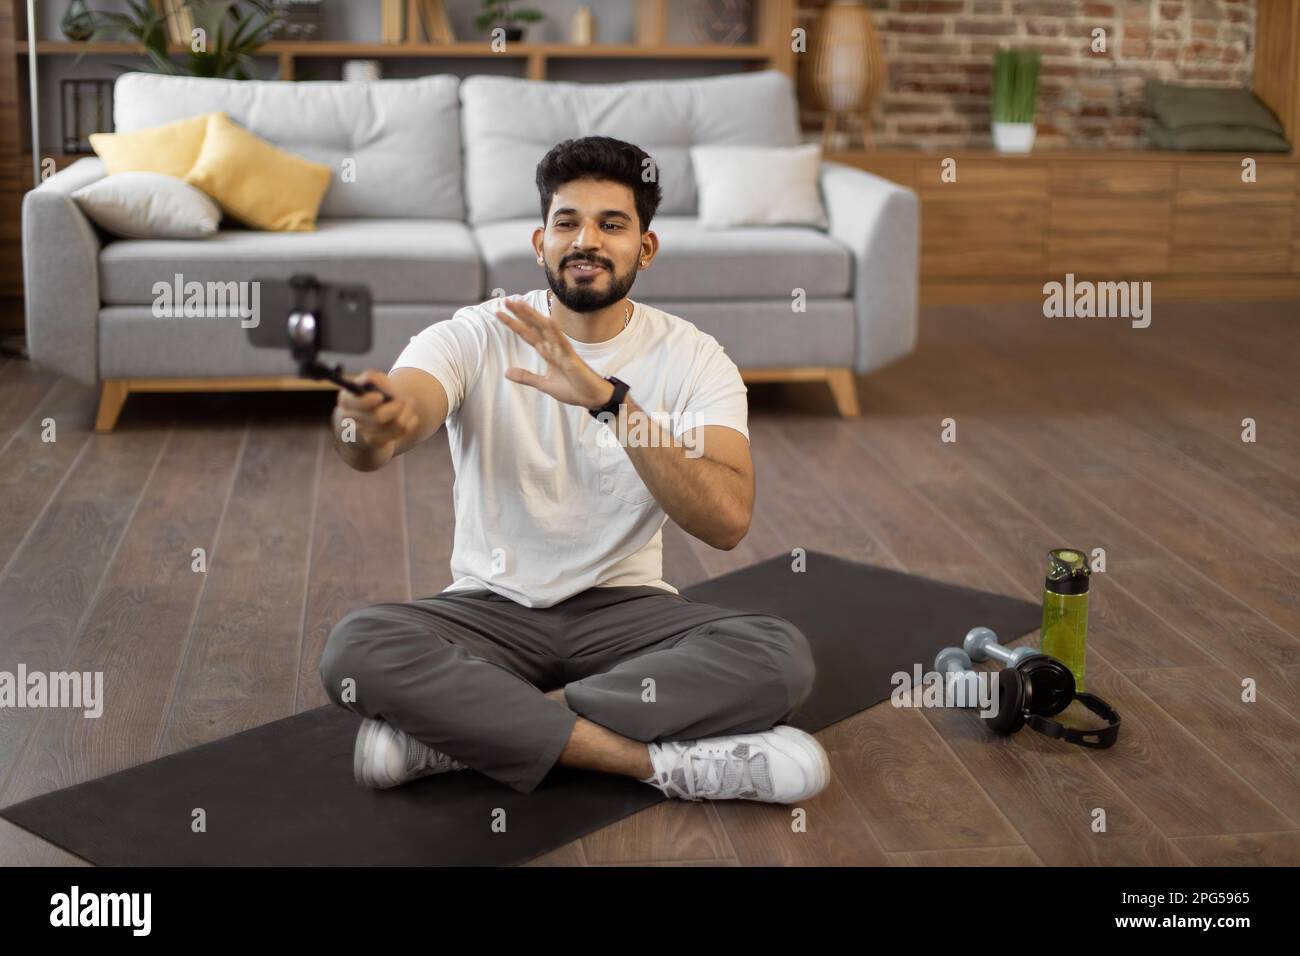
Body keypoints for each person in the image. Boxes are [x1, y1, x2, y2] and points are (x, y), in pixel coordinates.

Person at [319, 136, 827, 804]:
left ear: (644, 248)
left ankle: (454, 734)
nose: (586, 239)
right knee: (357, 648)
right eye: (567, 222)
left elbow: (727, 521)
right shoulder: (474, 334)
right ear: (540, 243)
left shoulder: (697, 359)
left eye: (611, 224)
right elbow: (390, 428)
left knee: (777, 656)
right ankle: (652, 765)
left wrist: (612, 405)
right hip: (488, 613)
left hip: (628, 616)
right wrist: (364, 421)